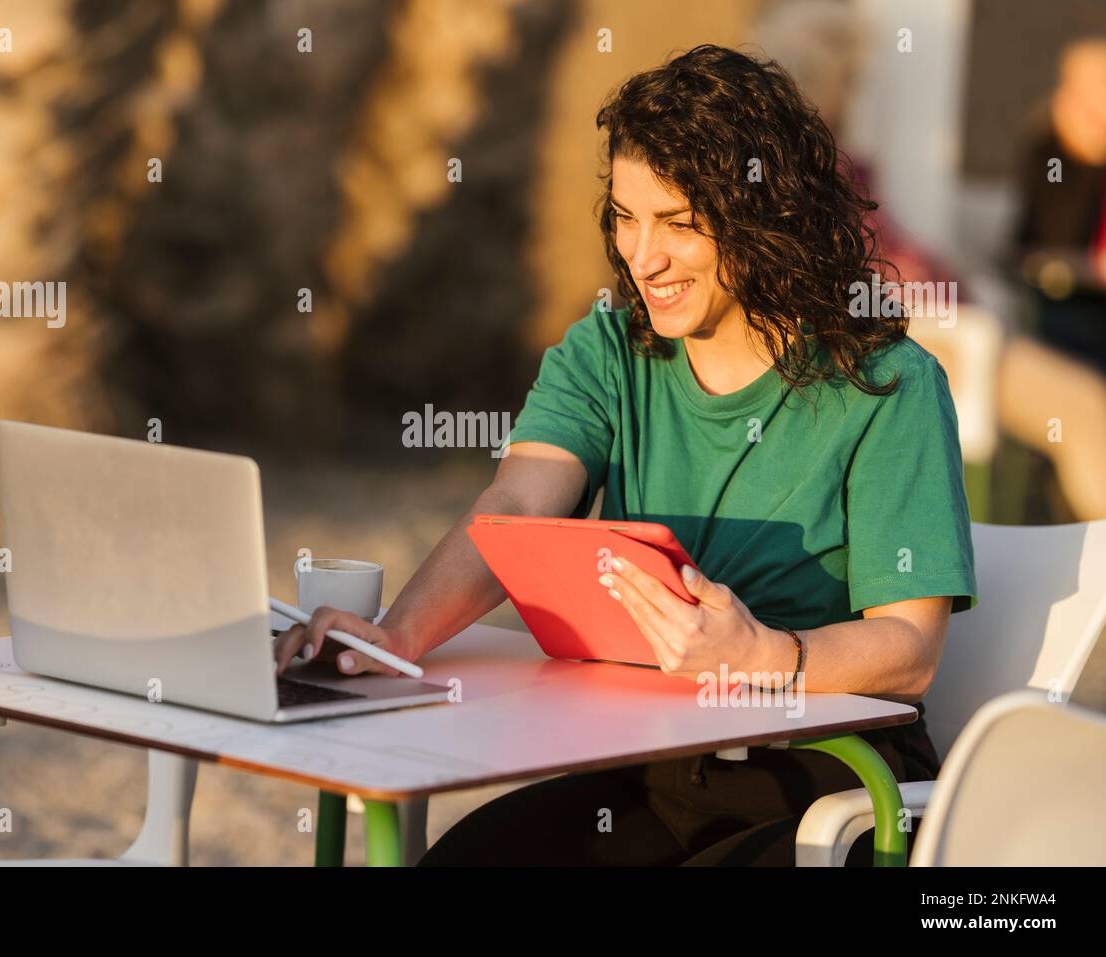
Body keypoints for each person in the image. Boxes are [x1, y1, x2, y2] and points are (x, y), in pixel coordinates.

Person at [274, 45, 977, 866]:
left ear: (766, 213)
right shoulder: (606, 350)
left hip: (829, 789)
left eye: (678, 223)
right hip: (647, 771)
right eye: (626, 215)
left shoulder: (888, 385)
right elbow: (520, 511)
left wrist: (758, 657)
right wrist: (390, 640)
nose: (642, 256)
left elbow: (910, 651)